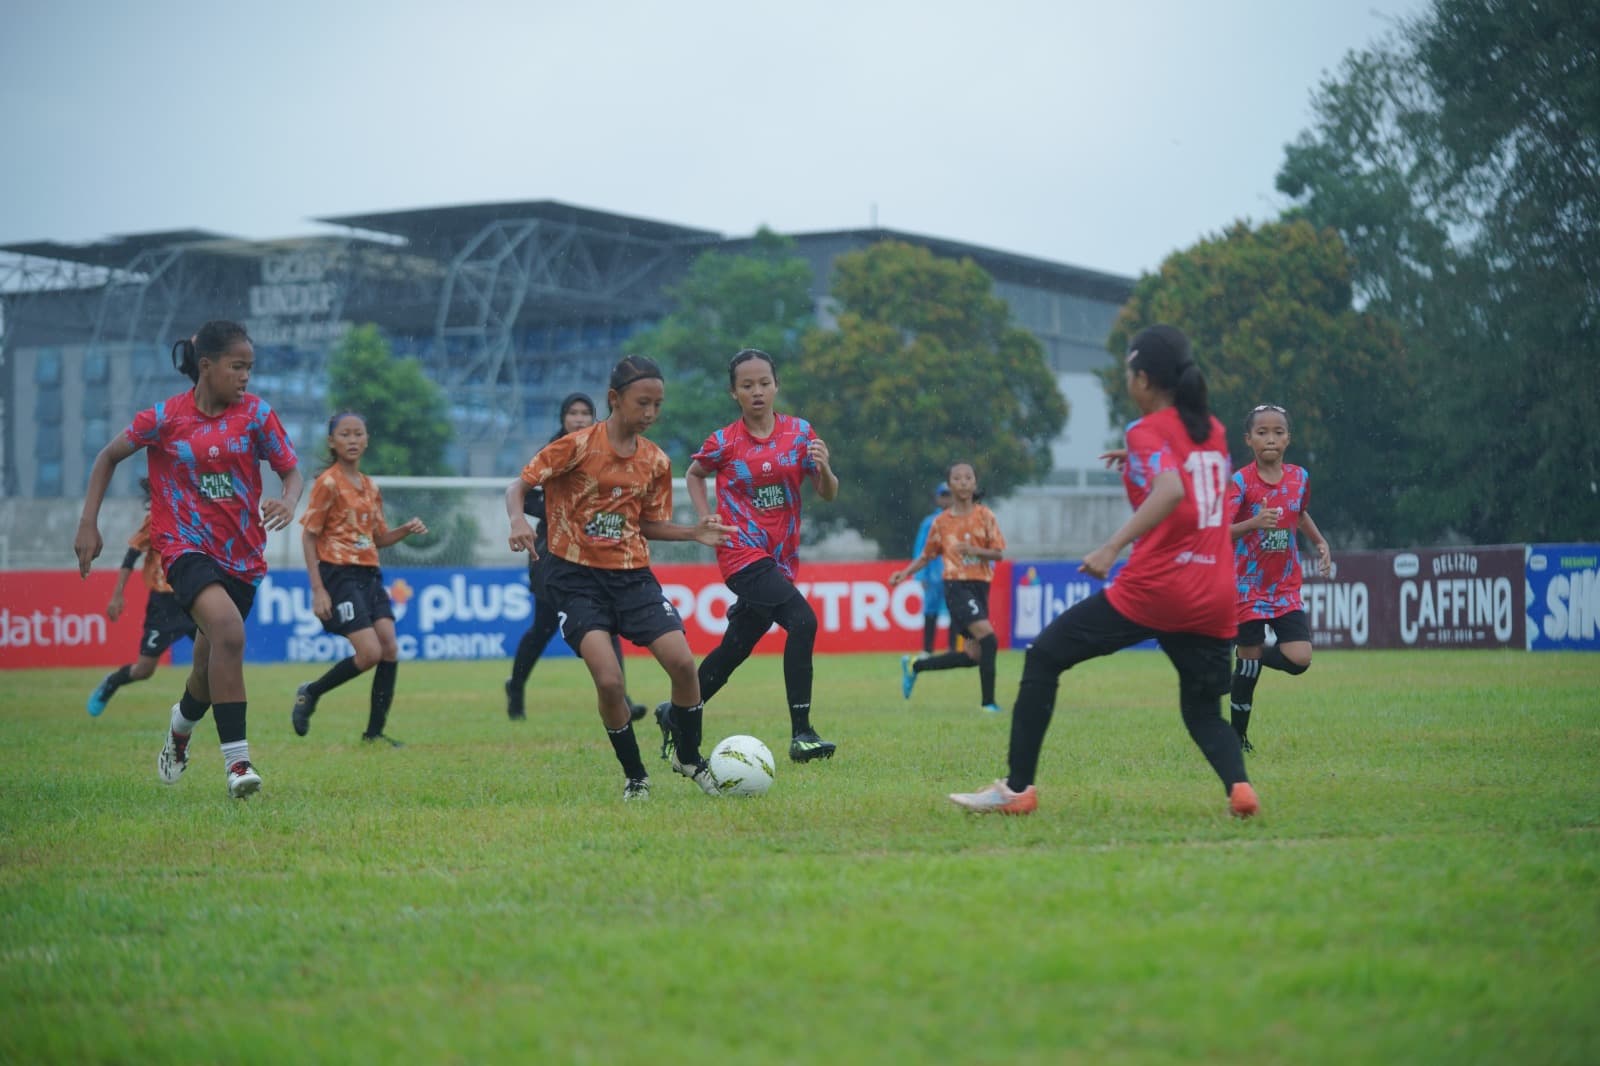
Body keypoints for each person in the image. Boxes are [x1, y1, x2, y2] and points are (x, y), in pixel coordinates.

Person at [948, 324, 1258, 819]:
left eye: (1127, 374)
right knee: (1202, 711)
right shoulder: (1213, 429)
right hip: (1214, 592)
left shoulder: (1146, 430)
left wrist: (1112, 545)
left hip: (1159, 588)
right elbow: (1193, 483)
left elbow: (1173, 490)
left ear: (1142, 379)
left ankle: (1018, 790)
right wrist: (1136, 463)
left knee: (1045, 657)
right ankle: (1241, 790)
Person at [74, 320, 301, 799]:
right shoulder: (163, 418)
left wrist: (289, 499)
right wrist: (88, 522)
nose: (245, 377)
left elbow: (291, 471)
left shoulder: (257, 416)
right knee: (229, 631)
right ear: (206, 366)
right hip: (183, 548)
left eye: (250, 368)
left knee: (205, 669)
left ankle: (179, 731)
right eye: (237, 367)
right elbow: (107, 457)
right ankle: (238, 764)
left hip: (243, 559)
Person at [506, 355, 735, 802]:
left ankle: (688, 757)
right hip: (574, 578)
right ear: (615, 399)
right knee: (610, 682)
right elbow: (517, 486)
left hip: (633, 578)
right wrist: (517, 520)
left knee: (685, 666)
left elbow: (645, 524)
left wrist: (692, 531)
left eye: (657, 405)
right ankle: (636, 776)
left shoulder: (655, 461)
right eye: (642, 403)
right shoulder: (575, 446)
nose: (650, 413)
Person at [668, 348, 841, 765]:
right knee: (803, 622)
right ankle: (802, 733)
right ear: (734, 393)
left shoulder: (800, 434)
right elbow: (693, 473)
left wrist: (827, 468)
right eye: (747, 385)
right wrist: (704, 515)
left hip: (781, 557)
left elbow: (827, 492)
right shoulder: (723, 442)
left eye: (764, 382)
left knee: (736, 647)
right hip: (740, 552)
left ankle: (674, 714)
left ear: (776, 385)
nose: (757, 391)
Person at [504, 392, 646, 723]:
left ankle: (621, 696)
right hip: (550, 553)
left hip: (594, 552)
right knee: (543, 628)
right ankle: (517, 687)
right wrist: (561, 512)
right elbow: (522, 497)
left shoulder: (604, 449)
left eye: (585, 413)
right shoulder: (553, 451)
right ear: (563, 418)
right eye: (573, 413)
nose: (579, 419)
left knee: (606, 620)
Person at [289, 412, 429, 745]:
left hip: (369, 573)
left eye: (358, 434)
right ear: (332, 442)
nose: (352, 440)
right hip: (338, 575)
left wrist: (405, 530)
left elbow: (377, 537)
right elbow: (309, 536)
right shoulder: (328, 483)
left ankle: (374, 734)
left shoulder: (370, 486)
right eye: (345, 434)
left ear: (367, 440)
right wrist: (318, 589)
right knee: (369, 653)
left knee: (390, 648)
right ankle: (311, 692)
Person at [1225, 403, 1332, 752]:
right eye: (1262, 432)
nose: (1270, 438)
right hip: (1247, 588)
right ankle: (1238, 737)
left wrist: (1319, 541)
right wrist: (1254, 524)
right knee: (1249, 674)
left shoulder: (1300, 477)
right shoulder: (1240, 482)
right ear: (1249, 440)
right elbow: (1219, 532)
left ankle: (1247, 657)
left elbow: (1299, 514)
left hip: (1285, 587)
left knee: (1300, 659)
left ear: (1288, 439)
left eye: (1278, 432)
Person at [889, 462, 1007, 713]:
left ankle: (915, 666)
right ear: (950, 485)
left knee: (973, 656)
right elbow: (927, 555)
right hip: (956, 587)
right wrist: (905, 573)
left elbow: (998, 554)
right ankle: (989, 704)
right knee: (989, 638)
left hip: (981, 587)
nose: (963, 482)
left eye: (968, 477)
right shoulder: (941, 522)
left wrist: (975, 551)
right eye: (957, 478)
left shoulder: (986, 516)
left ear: (975, 483)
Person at [86, 477, 198, 717]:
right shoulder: (155, 521)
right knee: (144, 670)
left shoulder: (197, 517)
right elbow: (131, 557)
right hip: (164, 606)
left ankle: (200, 713)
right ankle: (112, 682)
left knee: (217, 655)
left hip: (193, 598)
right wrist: (117, 596)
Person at [912, 482, 957, 657]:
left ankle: (953, 648)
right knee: (930, 611)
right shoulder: (930, 522)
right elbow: (920, 549)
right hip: (933, 575)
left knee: (955, 611)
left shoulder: (961, 519)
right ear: (938, 498)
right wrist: (921, 574)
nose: (946, 499)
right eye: (943, 495)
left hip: (955, 575)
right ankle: (927, 649)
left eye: (948, 495)